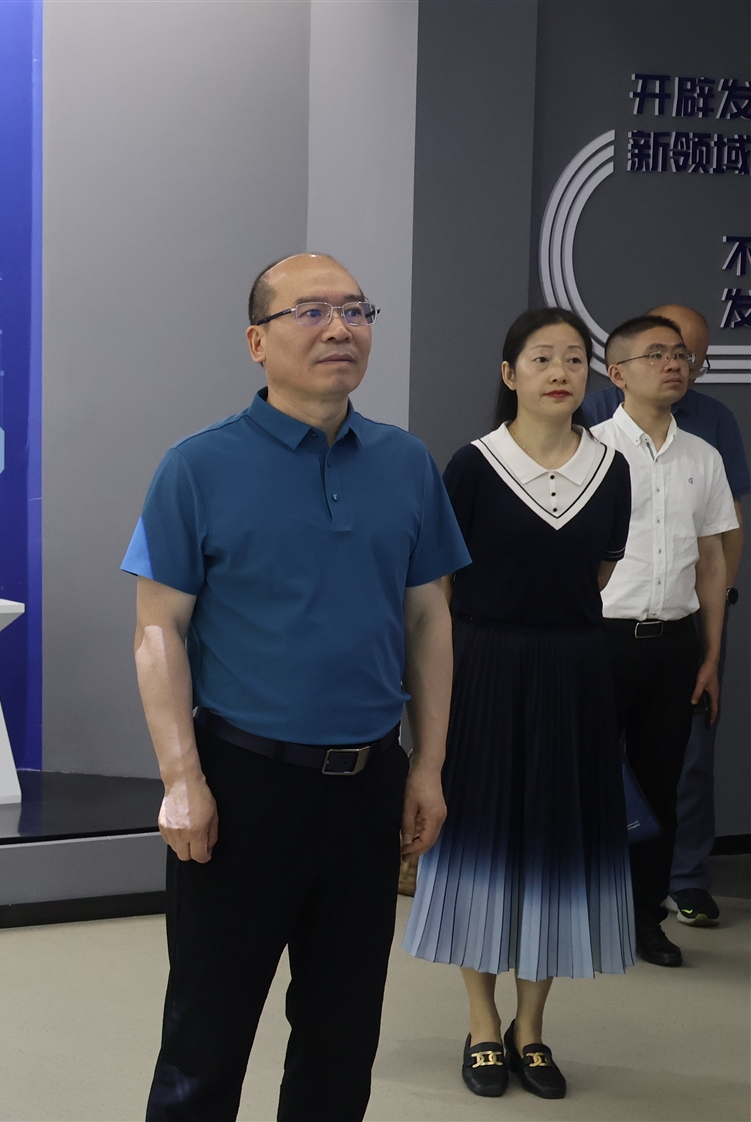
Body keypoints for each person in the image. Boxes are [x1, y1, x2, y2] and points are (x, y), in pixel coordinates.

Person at [124, 253, 467, 1121]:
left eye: (355, 311)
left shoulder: (405, 463)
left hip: (368, 786)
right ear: (257, 341)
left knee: (341, 1036)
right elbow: (158, 630)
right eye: (311, 311)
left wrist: (427, 766)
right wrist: (181, 780)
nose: (340, 329)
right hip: (243, 786)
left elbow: (428, 620)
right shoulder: (198, 466)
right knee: (206, 1037)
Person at [403, 308, 633, 1101]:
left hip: (574, 672)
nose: (559, 371)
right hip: (485, 669)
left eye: (573, 357)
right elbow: (440, 588)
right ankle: (481, 1023)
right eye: (541, 358)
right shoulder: (473, 465)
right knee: (483, 840)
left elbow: (598, 575)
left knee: (555, 844)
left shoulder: (611, 469)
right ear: (510, 375)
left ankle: (530, 1030)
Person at [578, 303, 747, 929]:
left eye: (680, 355)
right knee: (586, 774)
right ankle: (582, 911)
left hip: (675, 643)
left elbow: (713, 560)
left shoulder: (704, 455)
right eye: (657, 355)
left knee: (662, 781)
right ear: (617, 373)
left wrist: (710, 654)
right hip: (599, 639)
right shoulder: (587, 449)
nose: (674, 364)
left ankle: (646, 917)